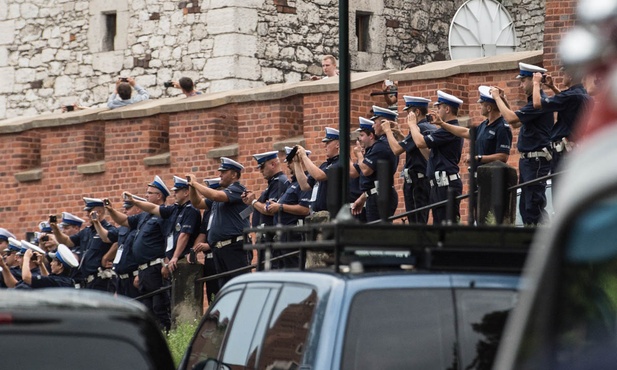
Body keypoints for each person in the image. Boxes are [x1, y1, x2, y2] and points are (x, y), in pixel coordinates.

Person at [491, 63, 554, 225]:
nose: (521, 84)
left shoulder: (539, 102)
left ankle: (541, 240)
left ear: (534, 80)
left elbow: (512, 119)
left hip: (536, 160)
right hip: (528, 161)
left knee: (534, 205)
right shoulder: (532, 103)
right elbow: (517, 123)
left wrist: (497, 98)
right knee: (525, 207)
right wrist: (504, 100)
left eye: (523, 80)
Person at [107, 176, 172, 331]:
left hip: (156, 267)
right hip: (144, 269)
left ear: (159, 196)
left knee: (159, 306)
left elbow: (169, 238)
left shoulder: (163, 215)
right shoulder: (144, 215)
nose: (147, 195)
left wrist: (167, 260)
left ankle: (167, 337)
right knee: (147, 309)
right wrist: (110, 210)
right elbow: (124, 221)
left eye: (150, 193)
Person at [187, 157, 251, 288]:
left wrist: (195, 184)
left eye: (224, 172)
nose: (220, 175)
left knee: (240, 286)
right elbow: (197, 203)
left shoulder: (237, 189)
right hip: (220, 249)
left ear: (234, 174)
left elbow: (216, 196)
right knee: (225, 288)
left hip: (234, 247)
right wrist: (191, 187)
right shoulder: (221, 195)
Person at [408, 90, 464, 224]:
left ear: (447, 109)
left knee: (445, 227)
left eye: (439, 108)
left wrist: (412, 125)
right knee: (438, 225)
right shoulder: (444, 130)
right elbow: (428, 153)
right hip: (438, 185)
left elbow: (420, 142)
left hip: (446, 184)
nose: (437, 111)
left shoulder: (449, 130)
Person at [382, 96, 436, 224]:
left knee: (416, 222)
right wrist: (400, 134)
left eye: (408, 113)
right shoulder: (428, 127)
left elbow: (396, 150)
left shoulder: (418, 128)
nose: (407, 117)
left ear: (416, 112)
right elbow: (410, 146)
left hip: (418, 182)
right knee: (420, 218)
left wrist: (388, 131)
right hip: (422, 180)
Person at [532, 68, 592, 174]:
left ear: (570, 76)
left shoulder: (570, 96)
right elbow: (566, 102)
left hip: (564, 154)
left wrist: (536, 83)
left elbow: (537, 103)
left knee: (559, 188)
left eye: (564, 73)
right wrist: (552, 87)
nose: (562, 76)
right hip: (575, 151)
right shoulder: (583, 95)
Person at [51, 197, 117, 291]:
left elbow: (118, 242)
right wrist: (55, 229)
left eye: (89, 210)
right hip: (87, 281)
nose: (87, 214)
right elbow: (66, 241)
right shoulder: (87, 231)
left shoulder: (110, 229)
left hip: (102, 280)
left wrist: (107, 257)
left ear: (99, 211)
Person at [436, 86, 512, 166]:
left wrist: (478, 158)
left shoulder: (502, 127)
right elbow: (465, 132)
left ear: (489, 108)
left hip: (493, 174)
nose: (480, 107)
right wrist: (442, 124)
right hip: (480, 174)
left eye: (481, 104)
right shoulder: (484, 124)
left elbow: (503, 156)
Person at [351, 108, 400, 222]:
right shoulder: (385, 142)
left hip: (380, 196)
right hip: (377, 194)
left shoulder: (381, 145)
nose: (373, 126)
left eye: (375, 123)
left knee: (378, 234)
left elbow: (366, 170)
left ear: (383, 124)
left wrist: (359, 154)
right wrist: (364, 197)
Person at [242, 151, 289, 266]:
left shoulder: (279, 182)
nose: (261, 171)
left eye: (262, 167)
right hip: (264, 238)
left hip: (271, 238)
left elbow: (269, 209)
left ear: (273, 164)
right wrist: (250, 202)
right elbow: (258, 207)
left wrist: (253, 202)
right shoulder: (272, 184)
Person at [94, 196, 145, 298]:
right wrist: (96, 223)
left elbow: (145, 253)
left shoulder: (143, 228)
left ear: (138, 209)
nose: (125, 211)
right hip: (121, 280)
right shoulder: (123, 228)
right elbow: (106, 237)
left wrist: (141, 274)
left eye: (128, 208)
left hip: (134, 277)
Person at [296, 127, 340, 215]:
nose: (325, 146)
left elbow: (319, 176)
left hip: (331, 214)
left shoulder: (340, 163)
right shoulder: (325, 165)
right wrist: (296, 163)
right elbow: (305, 185)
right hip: (317, 214)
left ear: (338, 144)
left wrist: (304, 156)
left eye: (328, 143)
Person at [191, 178, 222, 303]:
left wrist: (209, 245)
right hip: (209, 257)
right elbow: (203, 232)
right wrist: (194, 249)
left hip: (219, 253)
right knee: (212, 296)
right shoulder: (209, 211)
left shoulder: (224, 208)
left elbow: (224, 232)